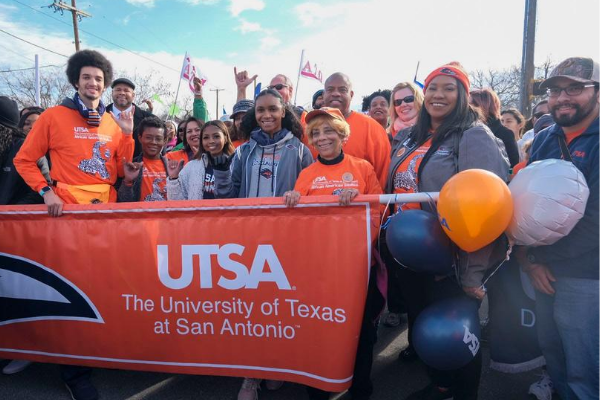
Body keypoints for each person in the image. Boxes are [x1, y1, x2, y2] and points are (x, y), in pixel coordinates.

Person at [13, 49, 134, 400]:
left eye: (99, 78)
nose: (93, 83)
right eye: (87, 77)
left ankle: (98, 352)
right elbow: (24, 160)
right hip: (67, 217)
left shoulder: (113, 122)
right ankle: (74, 371)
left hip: (104, 216)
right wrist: (45, 192)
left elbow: (121, 170)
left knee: (103, 287)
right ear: (76, 81)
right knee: (71, 293)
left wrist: (127, 144)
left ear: (105, 84)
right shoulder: (53, 116)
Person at [386, 62, 509, 400]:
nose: (439, 95)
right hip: (411, 254)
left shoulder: (473, 135)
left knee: (455, 335)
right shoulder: (412, 136)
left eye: (449, 88)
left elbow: (486, 208)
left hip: (452, 259)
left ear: (462, 94)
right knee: (424, 329)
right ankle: (440, 387)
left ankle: (465, 394)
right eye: (433, 88)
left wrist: (473, 273)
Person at [212, 89, 312, 400]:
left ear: (284, 112)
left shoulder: (300, 150)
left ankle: (277, 367)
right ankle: (250, 376)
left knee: (280, 311)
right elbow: (227, 195)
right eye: (260, 111)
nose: (266, 115)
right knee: (251, 312)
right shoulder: (244, 150)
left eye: (272, 109)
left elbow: (310, 195)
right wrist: (221, 168)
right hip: (248, 242)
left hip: (286, 243)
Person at [283, 107, 384, 400]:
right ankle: (318, 388)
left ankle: (360, 389)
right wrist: (292, 200)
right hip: (318, 272)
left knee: (361, 332)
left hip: (356, 268)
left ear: (341, 133)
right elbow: (296, 224)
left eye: (328, 130)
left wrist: (358, 204)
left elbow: (377, 213)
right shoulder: (307, 174)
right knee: (319, 329)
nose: (322, 137)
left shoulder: (362, 168)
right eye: (315, 133)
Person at [515, 57, 599, 400]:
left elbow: (595, 222)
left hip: (586, 275)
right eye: (555, 90)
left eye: (575, 88)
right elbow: (522, 199)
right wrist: (530, 259)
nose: (563, 97)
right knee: (554, 352)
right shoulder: (547, 137)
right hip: (544, 269)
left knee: (585, 366)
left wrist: (536, 256)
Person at [323, 72, 391, 187]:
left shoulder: (372, 128)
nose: (335, 93)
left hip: (360, 203)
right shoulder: (309, 127)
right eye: (330, 89)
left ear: (351, 94)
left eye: (342, 90)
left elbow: (383, 176)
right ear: (324, 94)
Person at [166, 120, 234, 200]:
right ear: (201, 141)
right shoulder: (191, 167)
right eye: (206, 137)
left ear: (225, 138)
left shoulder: (236, 164)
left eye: (216, 136)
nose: (211, 141)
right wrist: (173, 179)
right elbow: (177, 203)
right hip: (197, 213)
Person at [117, 116, 169, 202]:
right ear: (140, 138)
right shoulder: (131, 166)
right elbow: (123, 202)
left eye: (158, 139)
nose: (153, 142)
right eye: (148, 137)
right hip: (140, 215)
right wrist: (128, 182)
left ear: (165, 141)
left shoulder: (172, 168)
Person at [470, 88, 520, 167]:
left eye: (471, 105)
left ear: (483, 106)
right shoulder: (466, 129)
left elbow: (513, 166)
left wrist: (508, 177)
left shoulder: (505, 134)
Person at [106, 77, 154, 157]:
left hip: (135, 167)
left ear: (133, 95)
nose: (122, 93)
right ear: (112, 93)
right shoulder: (99, 115)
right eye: (118, 90)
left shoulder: (149, 120)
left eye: (126, 90)